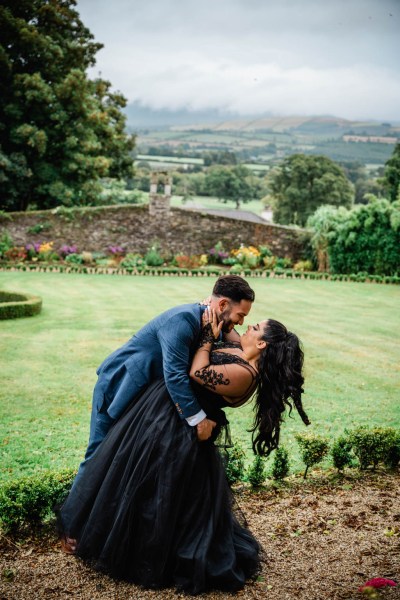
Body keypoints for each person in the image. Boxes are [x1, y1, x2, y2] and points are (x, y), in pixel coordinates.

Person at [58, 309, 310, 595]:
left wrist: (205, 338)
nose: (246, 328)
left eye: (253, 327)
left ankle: (149, 556)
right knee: (140, 484)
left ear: (262, 343)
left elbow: (197, 371)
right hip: (164, 414)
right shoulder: (239, 349)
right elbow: (224, 323)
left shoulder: (244, 374)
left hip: (179, 432)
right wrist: (215, 312)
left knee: (162, 493)